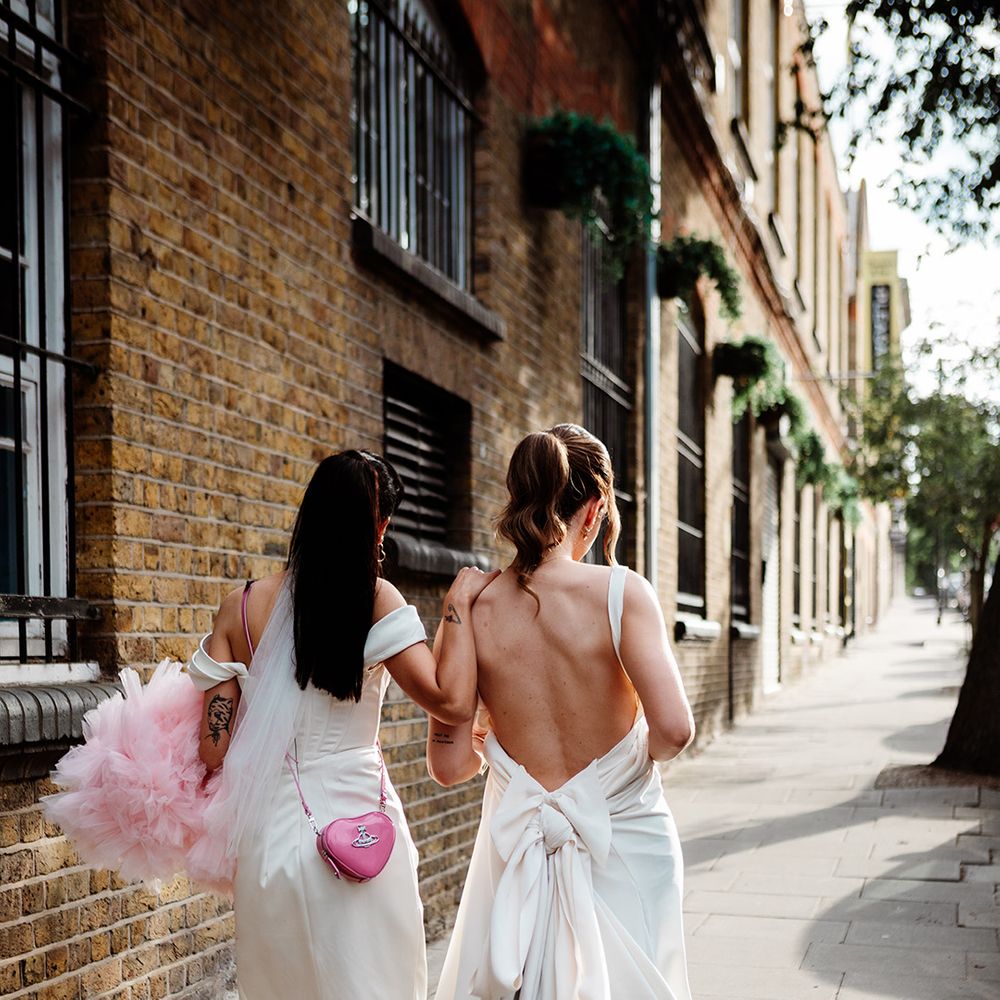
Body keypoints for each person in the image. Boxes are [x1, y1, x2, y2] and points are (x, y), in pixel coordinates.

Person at [188, 450, 496, 1000]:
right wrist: (456, 607)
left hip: (273, 839)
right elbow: (450, 700)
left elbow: (214, 751)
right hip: (360, 832)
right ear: (376, 525)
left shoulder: (239, 608)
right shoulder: (376, 600)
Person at [427, 424, 695, 1000]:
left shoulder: (473, 608)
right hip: (627, 845)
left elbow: (449, 767)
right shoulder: (622, 593)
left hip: (516, 849)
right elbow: (674, 730)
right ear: (595, 510)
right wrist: (614, 772)